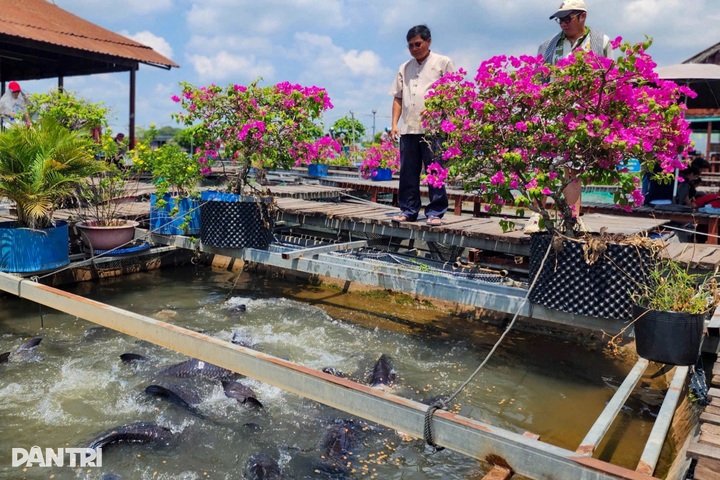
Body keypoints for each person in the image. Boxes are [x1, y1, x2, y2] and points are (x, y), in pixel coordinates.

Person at [526, 0, 613, 233]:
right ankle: (537, 216)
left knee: (573, 167)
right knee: (541, 164)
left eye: (567, 18)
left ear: (582, 16)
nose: (563, 23)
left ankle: (573, 218)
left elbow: (609, 79)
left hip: (582, 114)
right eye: (560, 19)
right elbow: (537, 81)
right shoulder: (547, 46)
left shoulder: (600, 42)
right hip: (552, 112)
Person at [389, 25, 456, 226]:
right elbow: (398, 97)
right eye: (410, 45)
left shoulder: (443, 63)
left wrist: (437, 107)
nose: (414, 48)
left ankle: (435, 212)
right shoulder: (404, 68)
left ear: (428, 42)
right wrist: (393, 124)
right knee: (408, 172)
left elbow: (454, 92)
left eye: (418, 44)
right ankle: (408, 210)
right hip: (409, 128)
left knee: (434, 171)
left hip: (434, 129)